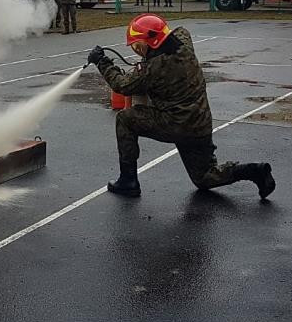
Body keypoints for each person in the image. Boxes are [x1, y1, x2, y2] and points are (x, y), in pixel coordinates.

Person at [87, 14, 275, 199]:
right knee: (204, 178)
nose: (137, 50)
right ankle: (254, 171)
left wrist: (102, 61)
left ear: (150, 43)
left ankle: (128, 181)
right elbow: (177, 33)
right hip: (200, 123)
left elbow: (122, 85)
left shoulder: (154, 67)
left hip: (175, 124)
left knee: (124, 119)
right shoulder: (184, 44)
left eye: (138, 45)